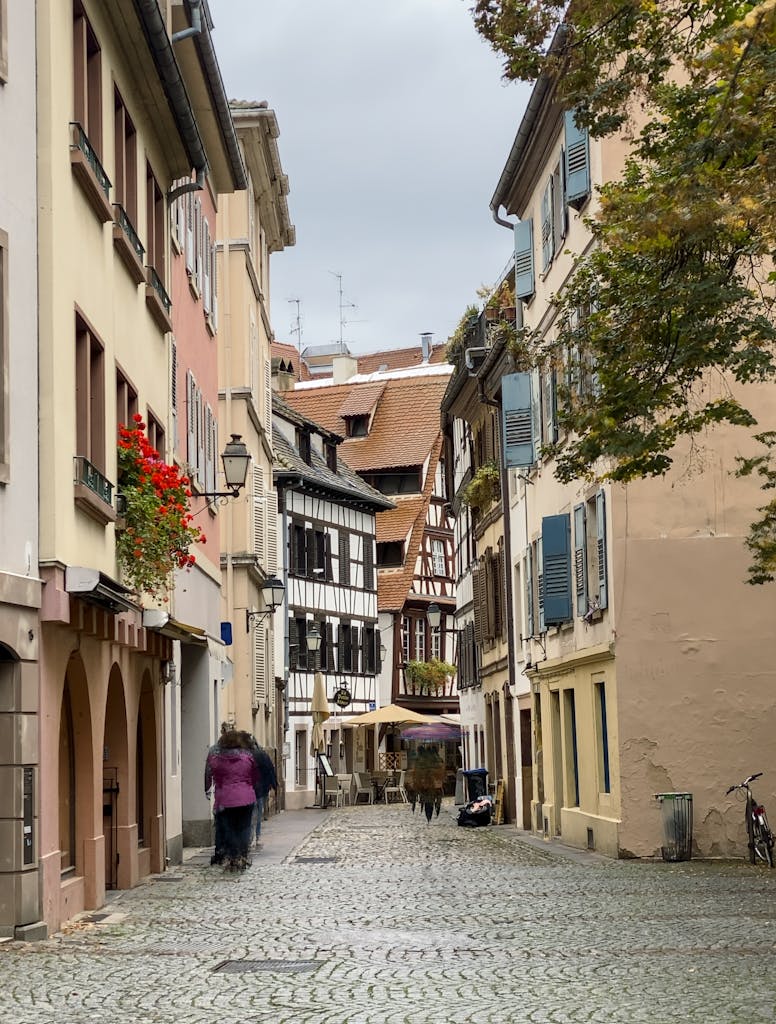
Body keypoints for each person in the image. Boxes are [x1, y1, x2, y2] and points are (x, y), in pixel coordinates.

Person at [204, 728, 258, 871]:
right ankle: (242, 855)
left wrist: (208, 790)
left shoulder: (216, 758)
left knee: (230, 829)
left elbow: (210, 775)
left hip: (225, 799)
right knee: (244, 827)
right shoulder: (247, 756)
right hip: (246, 797)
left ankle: (233, 856)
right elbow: (255, 775)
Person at [244, 734, 278, 848]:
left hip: (249, 789)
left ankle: (249, 836)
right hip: (261, 789)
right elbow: (270, 770)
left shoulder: (245, 756)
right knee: (258, 813)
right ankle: (257, 836)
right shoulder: (263, 755)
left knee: (249, 813)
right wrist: (274, 785)